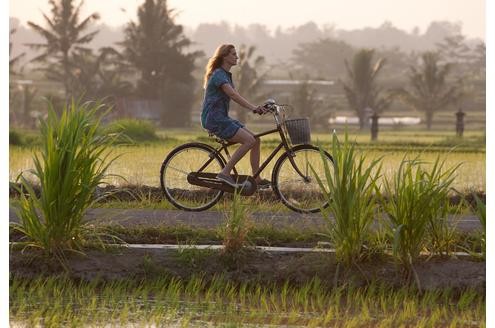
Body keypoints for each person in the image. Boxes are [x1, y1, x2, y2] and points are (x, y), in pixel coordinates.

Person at [201, 44, 270, 188]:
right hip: (215, 119)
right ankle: (225, 173)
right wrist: (253, 108)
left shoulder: (225, 74)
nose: (236, 57)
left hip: (222, 118)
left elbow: (234, 94)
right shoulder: (219, 74)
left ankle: (256, 179)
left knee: (256, 140)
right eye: (233, 54)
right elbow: (233, 94)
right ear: (224, 57)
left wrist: (260, 107)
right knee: (249, 141)